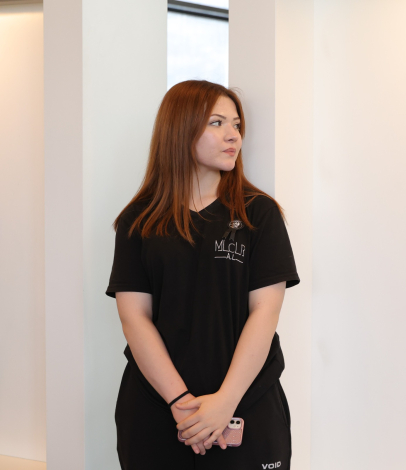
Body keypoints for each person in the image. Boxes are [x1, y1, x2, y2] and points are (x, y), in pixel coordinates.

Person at [106, 80, 299, 469]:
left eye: (237, 125)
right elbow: (134, 317)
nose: (233, 135)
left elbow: (266, 312)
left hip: (246, 407)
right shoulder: (139, 220)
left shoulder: (258, 213)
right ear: (180, 129)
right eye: (217, 123)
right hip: (156, 408)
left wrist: (224, 403)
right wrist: (181, 403)